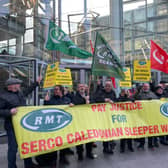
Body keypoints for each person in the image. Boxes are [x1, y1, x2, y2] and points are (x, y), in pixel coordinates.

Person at [0, 77, 41, 168]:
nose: (19, 86)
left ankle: (29, 164)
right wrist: (9, 112)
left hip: (23, 125)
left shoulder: (19, 93)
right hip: (12, 126)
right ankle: (12, 166)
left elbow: (28, 91)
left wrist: (36, 83)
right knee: (13, 148)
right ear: (11, 86)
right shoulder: (2, 96)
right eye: (18, 84)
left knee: (26, 145)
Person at [35, 85, 73, 167]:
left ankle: (63, 158)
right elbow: (46, 110)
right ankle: (53, 161)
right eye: (54, 89)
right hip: (54, 125)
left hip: (64, 125)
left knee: (64, 143)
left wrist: (71, 106)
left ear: (61, 90)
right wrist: (46, 102)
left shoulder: (67, 100)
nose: (55, 91)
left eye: (57, 89)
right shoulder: (51, 100)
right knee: (55, 143)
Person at [70, 83, 97, 161]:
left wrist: (89, 101)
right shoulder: (74, 96)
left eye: (83, 87)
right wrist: (84, 100)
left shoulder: (89, 95)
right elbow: (75, 102)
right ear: (78, 89)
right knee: (79, 138)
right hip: (79, 121)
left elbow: (94, 102)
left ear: (85, 88)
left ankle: (89, 153)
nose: (81, 88)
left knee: (89, 137)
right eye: (80, 87)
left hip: (88, 120)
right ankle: (80, 154)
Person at [93, 80, 116, 154]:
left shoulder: (113, 92)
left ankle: (112, 143)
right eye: (106, 86)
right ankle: (105, 148)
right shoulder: (101, 92)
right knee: (106, 132)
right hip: (103, 115)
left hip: (111, 115)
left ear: (111, 86)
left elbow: (116, 100)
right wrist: (104, 100)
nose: (108, 87)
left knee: (111, 130)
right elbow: (95, 99)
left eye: (109, 86)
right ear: (104, 86)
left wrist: (113, 101)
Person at [135, 83, 158, 150]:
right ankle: (142, 144)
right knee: (142, 130)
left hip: (150, 115)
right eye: (144, 86)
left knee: (150, 130)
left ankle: (150, 144)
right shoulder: (139, 94)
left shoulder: (152, 94)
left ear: (149, 87)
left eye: (147, 86)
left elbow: (157, 102)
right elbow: (135, 101)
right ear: (142, 87)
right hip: (142, 115)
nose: (145, 87)